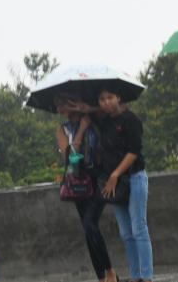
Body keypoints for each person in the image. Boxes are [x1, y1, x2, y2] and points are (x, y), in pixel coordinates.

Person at [91, 88, 154, 282]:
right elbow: (91, 114)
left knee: (138, 228)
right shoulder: (105, 122)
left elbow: (134, 151)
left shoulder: (131, 120)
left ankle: (146, 276)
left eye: (110, 97)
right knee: (126, 233)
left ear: (119, 97)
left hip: (133, 177)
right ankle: (136, 276)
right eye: (102, 99)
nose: (106, 102)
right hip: (115, 184)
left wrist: (116, 174)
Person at [54, 93, 117, 282]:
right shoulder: (62, 130)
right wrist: (80, 131)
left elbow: (109, 111)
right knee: (88, 228)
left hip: (98, 178)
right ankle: (102, 276)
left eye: (63, 103)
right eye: (58, 105)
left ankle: (110, 272)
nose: (60, 108)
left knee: (90, 223)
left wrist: (87, 110)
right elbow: (69, 157)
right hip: (78, 182)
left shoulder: (93, 119)